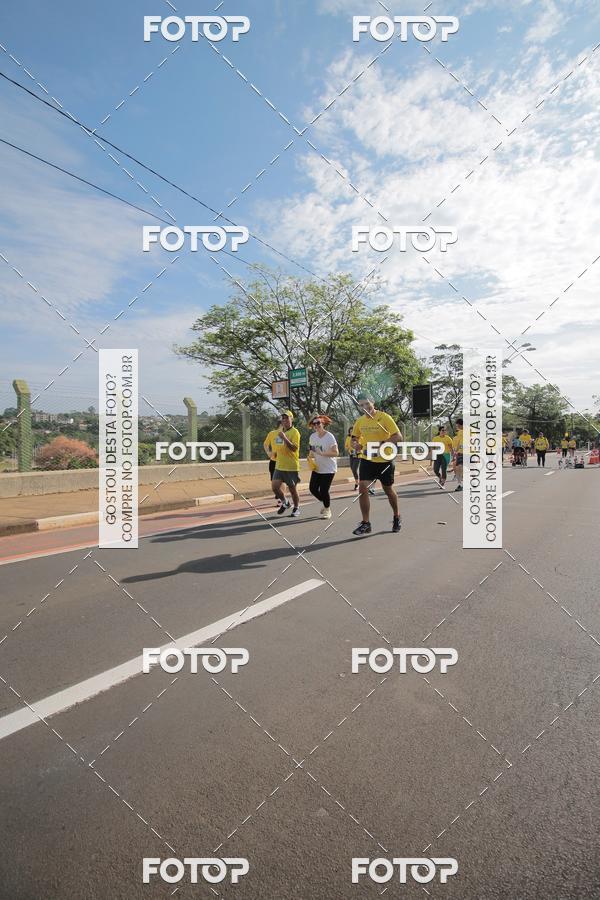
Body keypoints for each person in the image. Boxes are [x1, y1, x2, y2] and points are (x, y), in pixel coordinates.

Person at [350, 393, 402, 535]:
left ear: (372, 402)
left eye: (367, 403)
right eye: (361, 405)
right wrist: (356, 445)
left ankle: (396, 516)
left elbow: (398, 436)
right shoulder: (360, 421)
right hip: (367, 460)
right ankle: (366, 523)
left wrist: (382, 445)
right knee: (362, 488)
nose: (365, 407)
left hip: (385, 460)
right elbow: (354, 438)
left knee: (388, 491)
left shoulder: (384, 417)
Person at [271, 410, 301, 517]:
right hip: (279, 465)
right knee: (275, 487)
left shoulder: (295, 432)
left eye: (287, 418)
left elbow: (294, 448)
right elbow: (279, 446)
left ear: (291, 419)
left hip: (291, 466)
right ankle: (285, 502)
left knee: (292, 489)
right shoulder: (279, 432)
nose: (284, 420)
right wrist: (275, 453)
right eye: (283, 418)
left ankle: (296, 508)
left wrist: (284, 437)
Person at [308, 414, 339, 519]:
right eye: (314, 423)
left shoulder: (329, 436)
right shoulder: (312, 437)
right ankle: (326, 503)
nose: (316, 425)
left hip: (329, 468)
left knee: (324, 490)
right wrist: (310, 457)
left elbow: (336, 453)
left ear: (323, 423)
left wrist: (321, 453)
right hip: (317, 467)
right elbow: (312, 451)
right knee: (312, 489)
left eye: (318, 423)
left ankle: (327, 509)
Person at [264, 417, 284, 507]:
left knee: (282, 481)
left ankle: (281, 499)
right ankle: (279, 495)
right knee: (274, 481)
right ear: (280, 424)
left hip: (283, 461)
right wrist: (268, 452)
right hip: (273, 461)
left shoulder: (287, 434)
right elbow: (265, 444)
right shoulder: (272, 433)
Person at [452, 418, 464, 491]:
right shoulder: (460, 432)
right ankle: (460, 485)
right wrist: (456, 451)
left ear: (459, 425)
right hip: (461, 452)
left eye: (457, 425)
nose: (456, 427)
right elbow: (459, 442)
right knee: (459, 467)